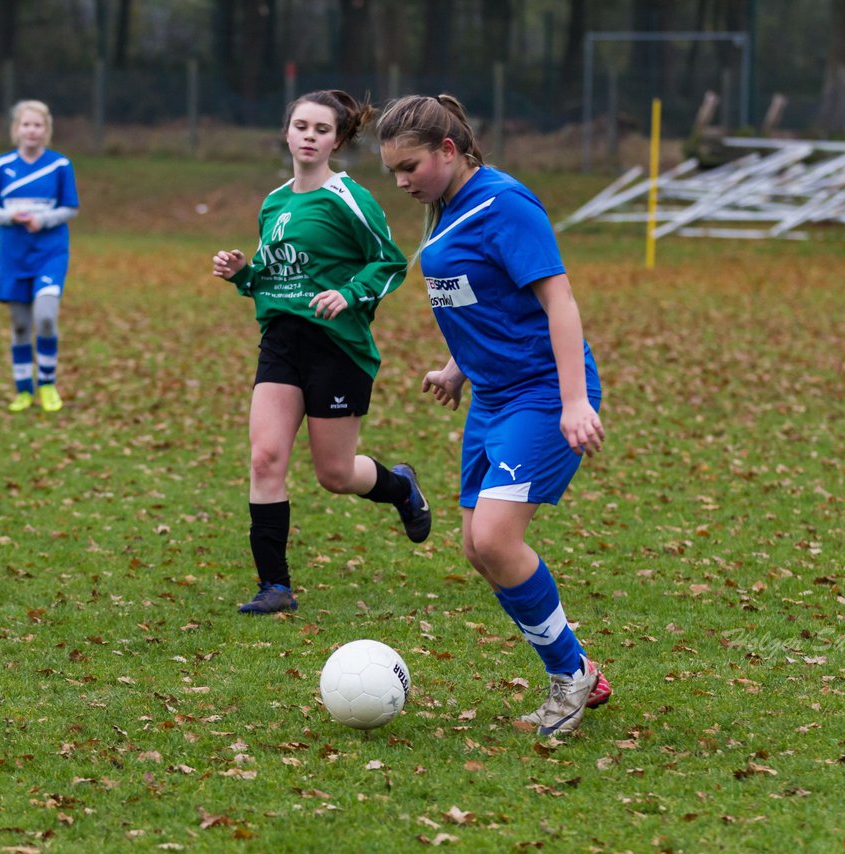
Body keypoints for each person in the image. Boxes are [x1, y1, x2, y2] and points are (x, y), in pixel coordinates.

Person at [377, 94, 611, 737]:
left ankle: (571, 678)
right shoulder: (445, 205)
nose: (402, 182)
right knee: (477, 549)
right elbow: (479, 300)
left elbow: (557, 300)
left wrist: (573, 401)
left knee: (496, 540)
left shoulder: (505, 204)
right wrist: (457, 366)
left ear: (448, 151)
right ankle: (577, 667)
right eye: (392, 171)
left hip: (540, 393)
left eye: (410, 167)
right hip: (494, 396)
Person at [212, 89, 431, 616]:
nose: (309, 137)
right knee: (265, 459)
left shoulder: (348, 197)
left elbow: (390, 263)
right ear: (286, 131)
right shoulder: (274, 202)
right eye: (301, 126)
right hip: (282, 343)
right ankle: (275, 587)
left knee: (334, 475)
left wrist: (349, 293)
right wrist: (244, 274)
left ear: (338, 139)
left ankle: (401, 486)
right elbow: (276, 275)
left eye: (322, 130)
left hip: (338, 345)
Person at [0, 100, 79, 413]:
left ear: (46, 130)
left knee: (46, 316)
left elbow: (70, 207)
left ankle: (48, 384)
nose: (32, 131)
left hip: (50, 252)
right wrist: (11, 216)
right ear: (16, 129)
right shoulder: (1, 166)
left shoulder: (60, 166)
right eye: (26, 125)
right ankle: (23, 389)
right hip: (14, 254)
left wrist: (43, 219)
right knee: (21, 325)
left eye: (38, 125)